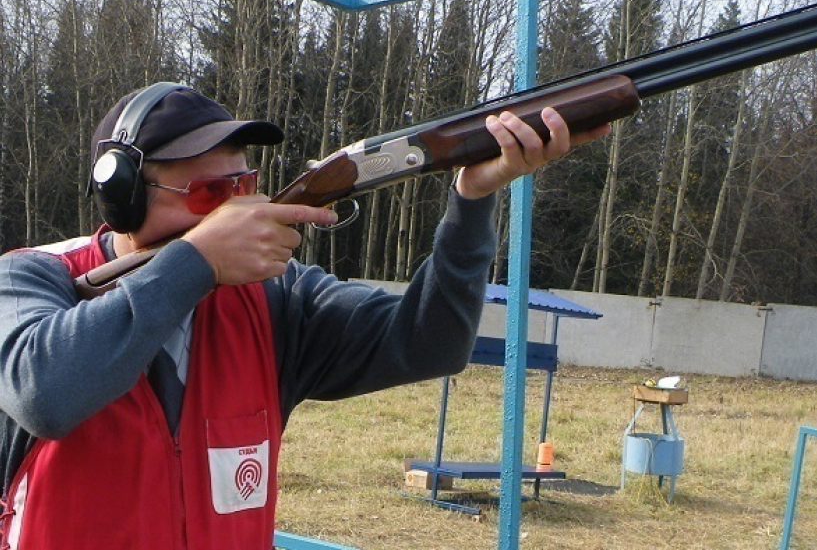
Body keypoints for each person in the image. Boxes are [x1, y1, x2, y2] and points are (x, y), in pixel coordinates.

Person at [0, 83, 608, 549]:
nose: (241, 212)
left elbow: (433, 343)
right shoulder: (35, 278)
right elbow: (46, 393)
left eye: (245, 186)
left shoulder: (277, 301)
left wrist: (472, 200)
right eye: (211, 196)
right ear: (123, 196)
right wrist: (197, 261)